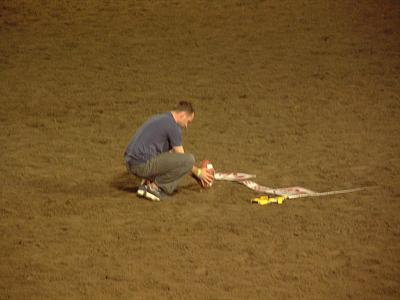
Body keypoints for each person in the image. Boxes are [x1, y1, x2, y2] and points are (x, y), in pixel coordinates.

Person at [124, 101, 214, 201]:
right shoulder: (173, 126)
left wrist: (194, 174)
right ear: (182, 115)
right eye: (188, 122)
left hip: (131, 163)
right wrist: (199, 173)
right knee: (189, 159)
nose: (186, 126)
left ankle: (147, 182)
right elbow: (182, 159)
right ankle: (154, 188)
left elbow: (171, 159)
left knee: (172, 158)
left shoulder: (161, 118)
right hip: (141, 165)